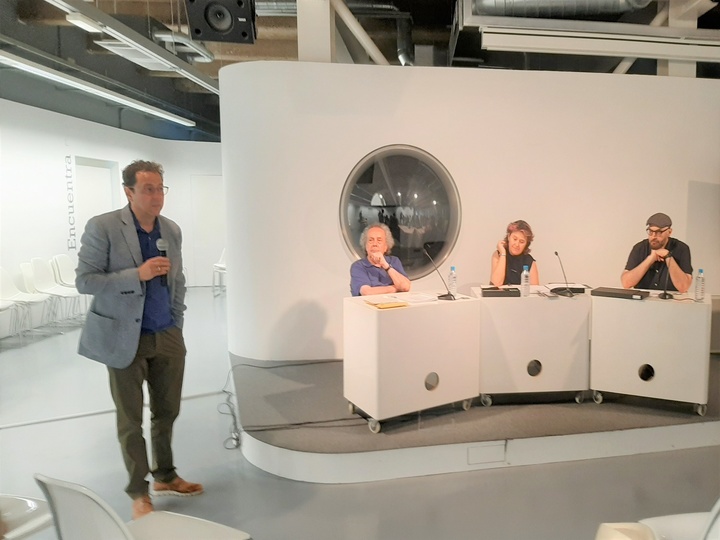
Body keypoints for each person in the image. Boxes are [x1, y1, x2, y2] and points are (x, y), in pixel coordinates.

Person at [75, 160, 202, 520]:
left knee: (167, 412)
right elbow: (85, 281)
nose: (156, 196)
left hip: (167, 334)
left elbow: (177, 280)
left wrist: (176, 322)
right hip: (123, 337)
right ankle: (138, 491)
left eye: (161, 188)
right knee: (130, 420)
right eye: (148, 189)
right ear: (128, 191)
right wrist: (137, 274)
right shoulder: (103, 227)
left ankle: (166, 475)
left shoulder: (171, 230)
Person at [621, 212, 692, 293]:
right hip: (643, 302)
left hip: (672, 302)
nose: (654, 236)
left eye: (659, 232)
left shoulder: (682, 249)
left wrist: (668, 257)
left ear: (669, 232)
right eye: (650, 231)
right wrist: (650, 259)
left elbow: (683, 287)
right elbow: (626, 283)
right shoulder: (639, 248)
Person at [350, 223, 411, 296]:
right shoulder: (358, 266)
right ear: (366, 246)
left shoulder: (394, 261)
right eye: (370, 240)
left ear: (386, 247)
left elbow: (405, 287)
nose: (374, 244)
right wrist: (396, 288)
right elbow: (367, 292)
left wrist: (386, 266)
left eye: (379, 240)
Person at [490, 220, 540, 286]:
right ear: (509, 237)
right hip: (500, 296)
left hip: (520, 296)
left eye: (521, 242)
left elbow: (535, 290)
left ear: (526, 244)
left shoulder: (529, 261)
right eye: (515, 239)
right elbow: (496, 283)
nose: (517, 244)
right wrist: (503, 254)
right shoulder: (498, 254)